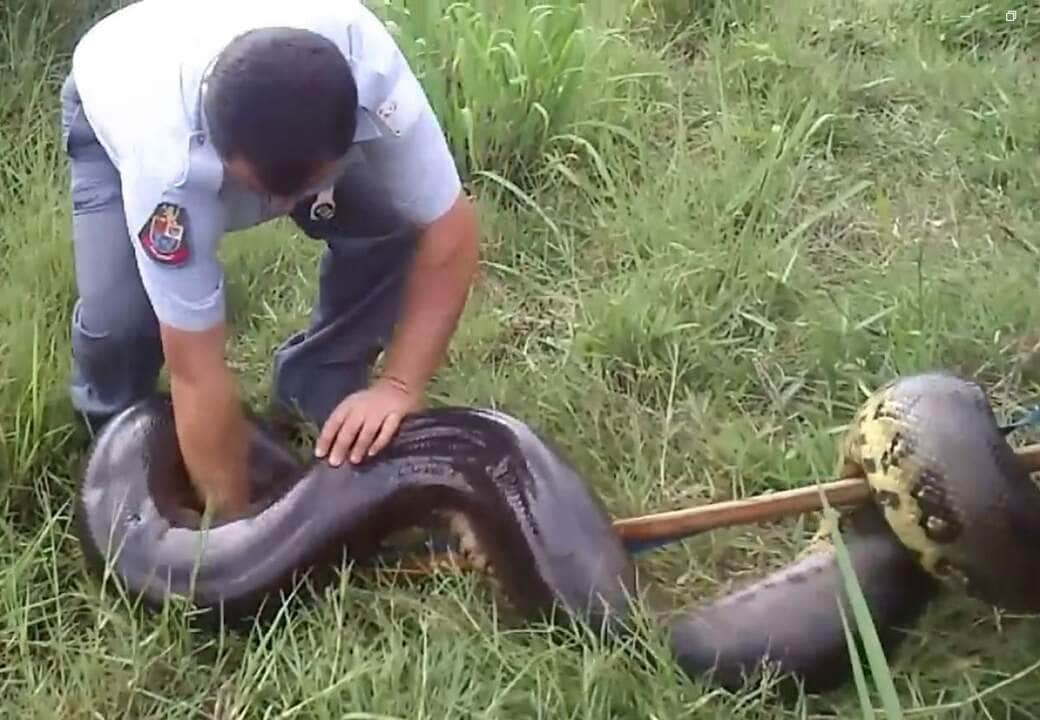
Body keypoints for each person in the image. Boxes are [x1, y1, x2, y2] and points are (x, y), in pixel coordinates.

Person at [60, 0, 481, 518]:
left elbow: (451, 233)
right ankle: (115, 433)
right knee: (121, 323)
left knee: (389, 226)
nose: (281, 210)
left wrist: (399, 387)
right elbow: (195, 365)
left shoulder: (366, 67)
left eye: (301, 189)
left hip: (280, 111)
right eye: (265, 193)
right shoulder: (165, 162)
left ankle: (314, 383)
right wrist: (239, 535)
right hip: (117, 82)